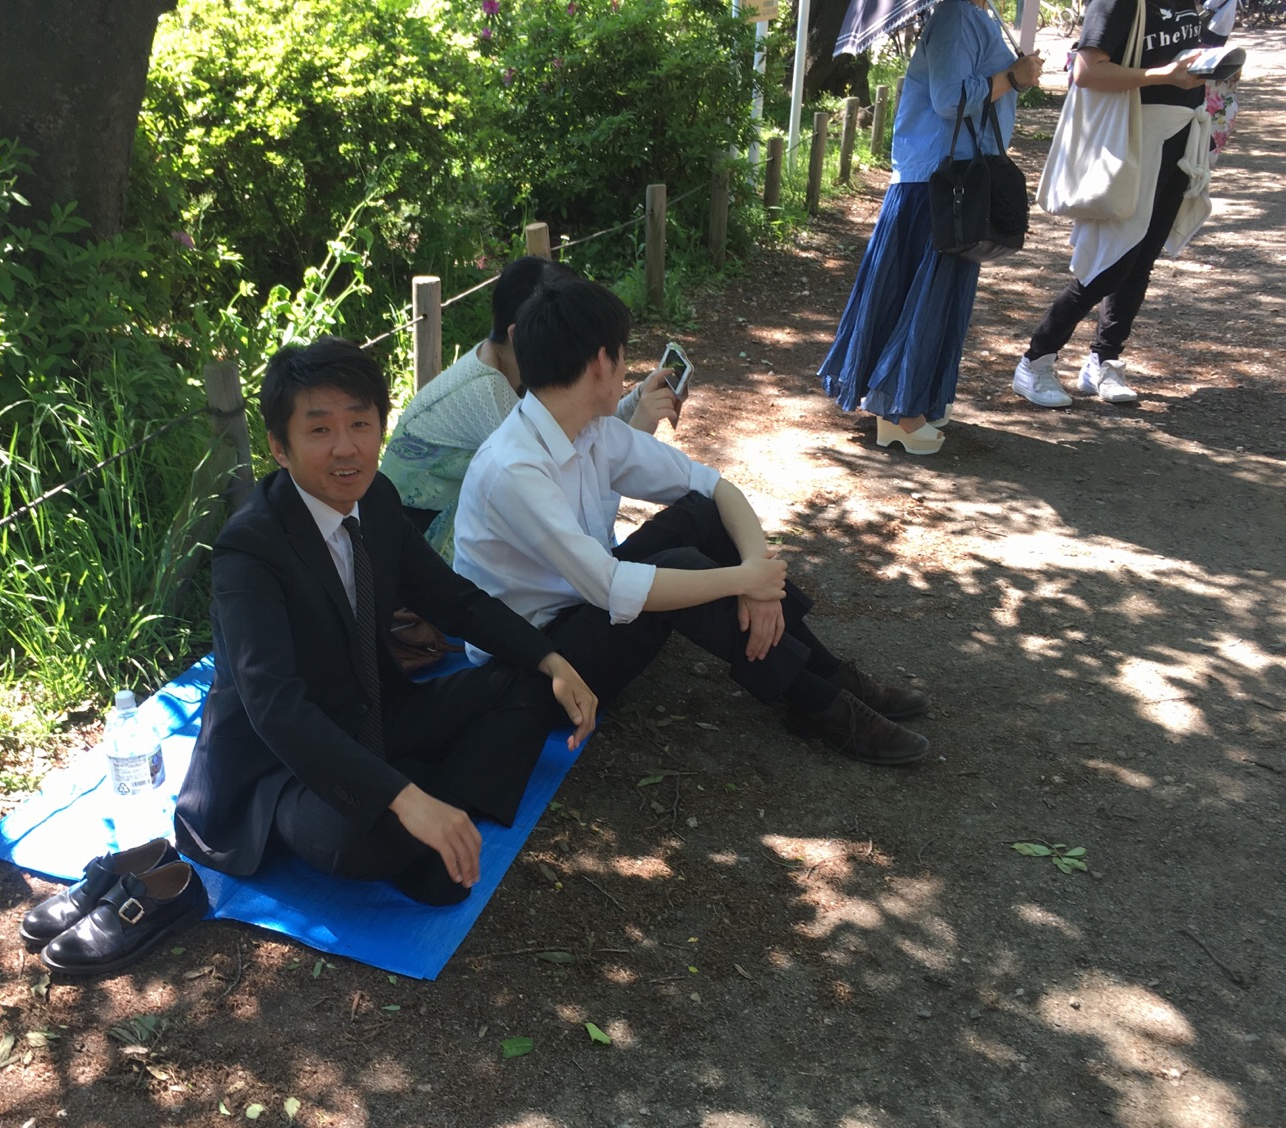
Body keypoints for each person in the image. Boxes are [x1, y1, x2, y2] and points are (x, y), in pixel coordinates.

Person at [173, 337, 598, 912]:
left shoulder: (375, 499)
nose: (346, 447)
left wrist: (551, 659)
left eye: (360, 424)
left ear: (380, 427)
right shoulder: (250, 550)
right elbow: (276, 709)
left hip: (376, 713)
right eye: (319, 430)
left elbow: (455, 601)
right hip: (282, 768)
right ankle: (432, 814)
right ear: (279, 447)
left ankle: (442, 818)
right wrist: (401, 797)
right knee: (359, 837)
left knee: (530, 679)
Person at [455, 274, 932, 766]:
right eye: (623, 354)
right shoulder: (514, 468)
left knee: (700, 515)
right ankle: (818, 702)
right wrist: (742, 579)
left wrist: (759, 581)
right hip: (538, 668)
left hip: (580, 606)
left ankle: (827, 672)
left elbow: (712, 486)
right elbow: (611, 586)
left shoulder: (591, 430)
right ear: (600, 362)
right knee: (677, 565)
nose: (627, 369)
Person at [820, 0, 1044, 455]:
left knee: (933, 295)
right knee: (923, 296)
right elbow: (948, 99)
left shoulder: (978, 14)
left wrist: (1014, 76)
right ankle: (900, 414)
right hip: (938, 183)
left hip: (952, 180)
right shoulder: (955, 15)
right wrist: (1013, 78)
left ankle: (915, 399)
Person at [380, 256, 683, 561]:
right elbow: (571, 478)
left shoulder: (512, 363)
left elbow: (582, 428)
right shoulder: (489, 395)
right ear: (518, 334)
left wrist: (637, 399)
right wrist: (639, 427)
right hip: (420, 539)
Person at [1012, 0, 1209, 408]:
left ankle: (1104, 360)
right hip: (1132, 140)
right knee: (1107, 264)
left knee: (1140, 263)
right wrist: (1163, 76)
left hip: (1179, 141)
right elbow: (1085, 71)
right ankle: (1035, 361)